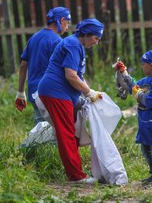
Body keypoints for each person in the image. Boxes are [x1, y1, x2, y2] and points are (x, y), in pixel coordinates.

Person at [37, 18, 104, 184]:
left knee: (71, 133)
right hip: (56, 93)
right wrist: (88, 92)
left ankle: (76, 171)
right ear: (87, 34)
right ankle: (76, 177)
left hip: (62, 94)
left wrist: (90, 92)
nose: (97, 42)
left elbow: (78, 76)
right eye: (96, 38)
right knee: (66, 134)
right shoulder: (73, 45)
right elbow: (70, 76)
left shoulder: (76, 45)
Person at [115, 50, 152, 186]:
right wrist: (124, 73)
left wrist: (141, 96)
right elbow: (134, 86)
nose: (141, 66)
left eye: (144, 64)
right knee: (145, 147)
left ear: (151, 65)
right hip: (144, 118)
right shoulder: (147, 80)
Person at [15, 6, 71, 124]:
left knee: (41, 129)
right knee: (55, 131)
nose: (68, 27)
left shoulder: (34, 38)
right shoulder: (57, 42)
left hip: (34, 93)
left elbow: (23, 65)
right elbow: (66, 70)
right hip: (50, 93)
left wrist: (20, 92)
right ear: (61, 20)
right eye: (67, 22)